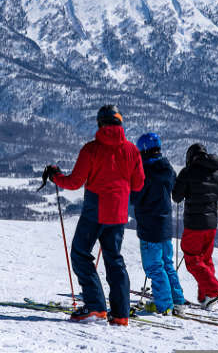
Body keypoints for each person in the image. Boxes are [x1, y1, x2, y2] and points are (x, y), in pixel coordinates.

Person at [43, 105, 144, 326]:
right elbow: (138, 184)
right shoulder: (132, 151)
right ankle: (121, 314)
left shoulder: (91, 149)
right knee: (114, 259)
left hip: (95, 209)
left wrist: (56, 176)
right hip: (119, 213)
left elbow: (74, 182)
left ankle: (96, 307)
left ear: (100, 124)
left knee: (80, 253)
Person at [130, 132, 186, 316]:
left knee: (154, 266)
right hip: (165, 224)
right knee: (167, 264)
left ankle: (164, 305)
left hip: (149, 226)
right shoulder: (167, 169)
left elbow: (134, 197)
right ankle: (177, 301)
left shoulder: (144, 172)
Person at [171, 143, 218, 310]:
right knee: (205, 260)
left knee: (192, 260)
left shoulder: (187, 172)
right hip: (211, 225)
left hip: (194, 224)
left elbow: (176, 197)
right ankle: (205, 296)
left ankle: (214, 292)